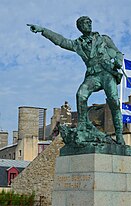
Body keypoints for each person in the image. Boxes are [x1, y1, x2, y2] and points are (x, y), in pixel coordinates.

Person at [27, 16, 125, 145]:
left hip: (107, 73)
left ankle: (119, 134)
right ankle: (83, 126)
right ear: (80, 27)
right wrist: (43, 30)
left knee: (113, 101)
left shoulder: (104, 39)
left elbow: (118, 53)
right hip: (93, 76)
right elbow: (61, 41)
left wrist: (118, 60)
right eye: (85, 23)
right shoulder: (77, 44)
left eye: (89, 22)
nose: (88, 24)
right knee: (81, 94)